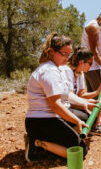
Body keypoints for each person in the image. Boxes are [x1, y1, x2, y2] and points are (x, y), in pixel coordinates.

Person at [25, 33, 90, 162]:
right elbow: (54, 105)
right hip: (41, 121)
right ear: (52, 52)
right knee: (79, 151)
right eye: (64, 54)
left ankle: (42, 140)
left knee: (80, 134)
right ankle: (36, 142)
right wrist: (75, 121)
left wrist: (84, 103)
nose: (67, 58)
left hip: (48, 119)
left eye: (69, 54)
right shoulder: (50, 71)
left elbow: (64, 97)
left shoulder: (58, 69)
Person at [61, 47, 101, 135]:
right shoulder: (67, 71)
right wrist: (85, 104)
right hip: (65, 106)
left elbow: (81, 94)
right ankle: (87, 128)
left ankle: (94, 126)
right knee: (91, 113)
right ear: (81, 62)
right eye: (90, 63)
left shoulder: (80, 73)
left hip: (72, 104)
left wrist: (96, 92)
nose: (91, 66)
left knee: (96, 106)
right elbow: (69, 98)